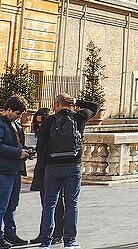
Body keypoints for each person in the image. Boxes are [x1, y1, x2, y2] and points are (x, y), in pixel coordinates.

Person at [37, 92, 100, 249]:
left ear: (56, 105)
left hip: (52, 167)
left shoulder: (48, 121)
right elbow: (96, 107)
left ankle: (46, 242)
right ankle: (70, 241)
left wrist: (44, 167)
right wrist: (78, 101)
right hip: (73, 166)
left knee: (49, 204)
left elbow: (41, 147)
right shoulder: (79, 118)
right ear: (70, 104)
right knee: (72, 203)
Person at [0, 95, 31, 248]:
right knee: (2, 205)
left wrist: (25, 151)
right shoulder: (0, 123)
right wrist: (18, 153)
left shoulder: (16, 125)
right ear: (9, 110)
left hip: (15, 170)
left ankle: (10, 234)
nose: (20, 117)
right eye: (18, 113)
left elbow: (17, 144)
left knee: (12, 204)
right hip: (3, 171)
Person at [28, 108, 62, 248]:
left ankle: (58, 234)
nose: (40, 127)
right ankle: (45, 234)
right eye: (38, 124)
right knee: (46, 205)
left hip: (53, 169)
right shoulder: (42, 132)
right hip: (43, 171)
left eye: (42, 123)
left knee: (57, 204)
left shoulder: (56, 131)